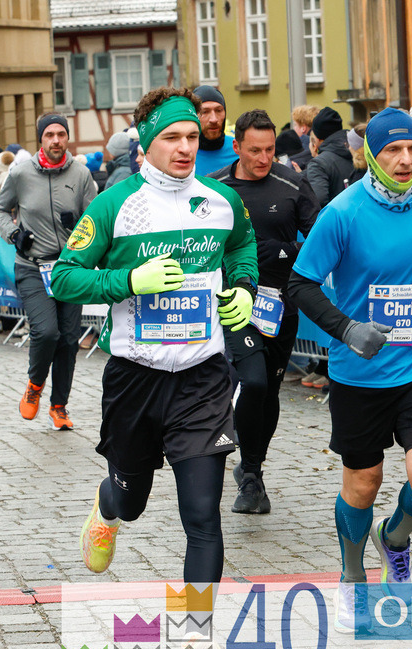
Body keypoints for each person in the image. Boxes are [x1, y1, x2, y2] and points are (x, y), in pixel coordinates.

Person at [50, 87, 257, 591]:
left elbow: (243, 246)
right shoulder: (114, 206)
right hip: (135, 380)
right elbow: (62, 277)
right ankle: (107, 506)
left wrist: (245, 290)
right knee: (133, 501)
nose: (185, 147)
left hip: (202, 377)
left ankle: (196, 644)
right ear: (147, 143)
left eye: (191, 136)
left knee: (204, 516)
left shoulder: (222, 200)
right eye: (171, 138)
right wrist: (128, 281)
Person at [288, 107, 412, 632]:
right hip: (359, 374)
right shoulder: (343, 213)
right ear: (371, 153)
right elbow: (301, 285)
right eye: (393, 150)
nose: (406, 159)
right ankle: (352, 576)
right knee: (363, 484)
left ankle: (393, 539)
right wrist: (346, 329)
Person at [208, 109, 320, 514]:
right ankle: (249, 471)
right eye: (254, 150)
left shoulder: (291, 182)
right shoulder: (214, 188)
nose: (263, 158)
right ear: (236, 146)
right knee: (252, 383)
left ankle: (252, 472)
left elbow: (320, 234)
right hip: (233, 303)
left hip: (280, 306)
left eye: (270, 150)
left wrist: (293, 251)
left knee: (269, 391)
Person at [0, 112, 96, 430]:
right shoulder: (21, 173)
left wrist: (78, 226)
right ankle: (35, 385)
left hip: (70, 267)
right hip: (32, 266)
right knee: (46, 331)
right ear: (41, 139)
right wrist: (14, 234)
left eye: (61, 134)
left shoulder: (81, 174)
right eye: (49, 134)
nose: (55, 140)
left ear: (67, 138)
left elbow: (95, 218)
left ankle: (59, 407)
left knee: (68, 340)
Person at [304, 106, 352, 207]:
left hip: (336, 221)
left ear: (317, 139)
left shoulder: (319, 164)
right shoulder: (359, 151)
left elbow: (318, 202)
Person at [192, 85, 239, 176]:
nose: (213, 119)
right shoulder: (183, 154)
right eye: (204, 112)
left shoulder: (239, 150)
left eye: (218, 110)